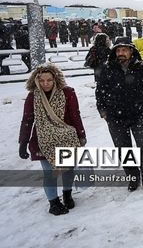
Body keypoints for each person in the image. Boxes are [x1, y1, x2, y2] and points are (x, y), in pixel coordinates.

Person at [19, 64, 86, 215]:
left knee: (68, 169)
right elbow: (27, 120)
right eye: (41, 81)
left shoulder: (67, 93)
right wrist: (23, 142)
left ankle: (67, 195)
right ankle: (54, 203)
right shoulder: (33, 97)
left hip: (66, 138)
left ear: (55, 79)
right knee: (50, 173)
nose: (45, 84)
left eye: (49, 80)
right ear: (36, 80)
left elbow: (75, 114)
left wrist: (81, 134)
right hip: (42, 140)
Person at [95, 38, 143, 197]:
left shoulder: (141, 66)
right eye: (118, 50)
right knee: (124, 150)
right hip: (115, 117)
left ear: (131, 51)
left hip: (138, 114)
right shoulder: (107, 68)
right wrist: (103, 110)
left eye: (124, 50)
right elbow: (100, 91)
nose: (121, 53)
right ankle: (133, 177)